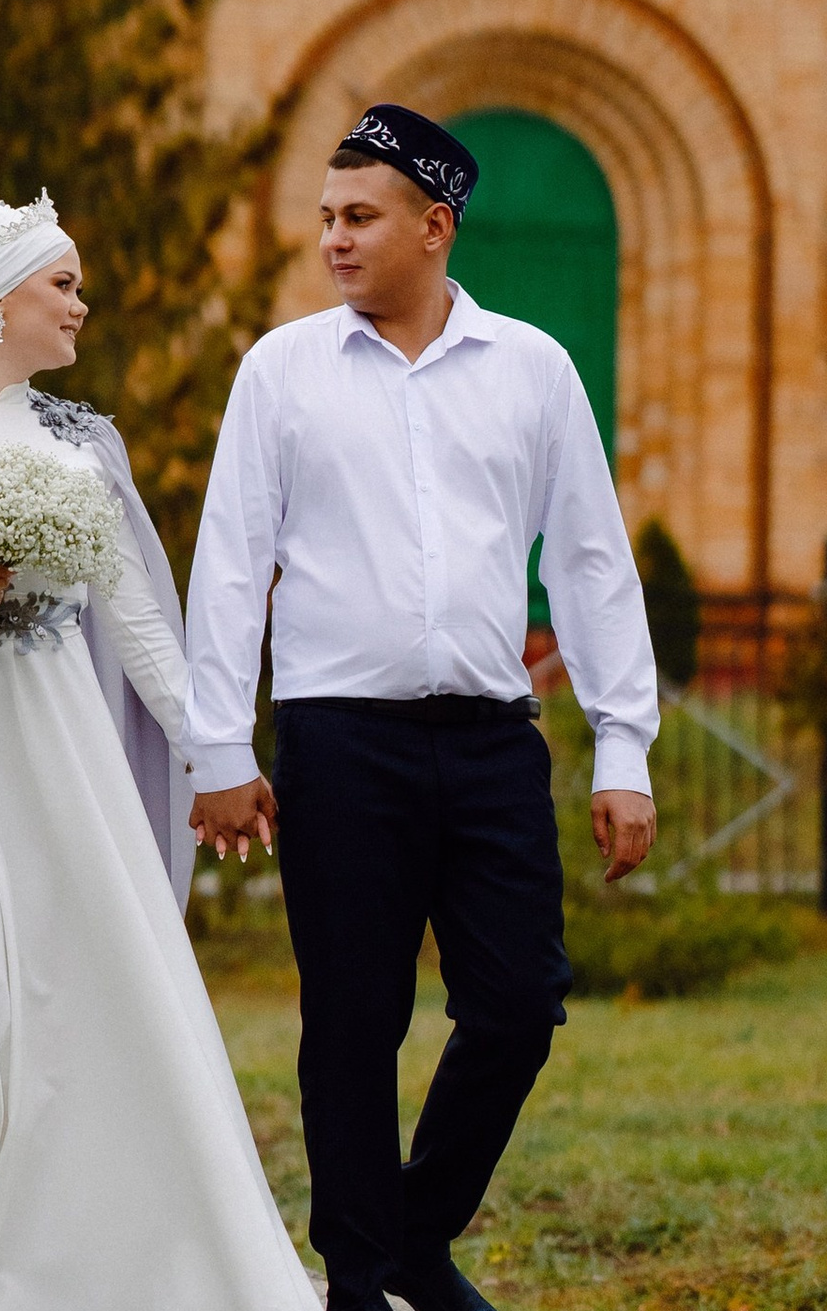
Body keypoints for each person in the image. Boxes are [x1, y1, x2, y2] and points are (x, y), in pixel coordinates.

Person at [0, 192, 317, 1311]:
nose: (83, 304)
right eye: (63, 284)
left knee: (92, 1001)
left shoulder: (84, 442)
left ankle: (100, 1264)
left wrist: (212, 754)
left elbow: (138, 623)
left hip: (61, 750)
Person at [184, 105, 661, 1311]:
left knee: (519, 1004)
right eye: (326, 218)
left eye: (360, 216)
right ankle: (359, 1284)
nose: (334, 239)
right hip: (341, 740)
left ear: (434, 226)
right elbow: (231, 562)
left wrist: (625, 746)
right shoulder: (281, 371)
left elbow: (591, 560)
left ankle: (409, 1234)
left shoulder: (533, 370)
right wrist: (218, 746)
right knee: (354, 1020)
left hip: (494, 740)